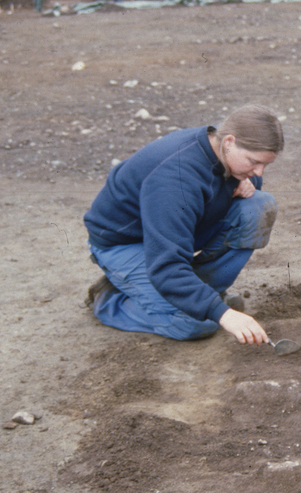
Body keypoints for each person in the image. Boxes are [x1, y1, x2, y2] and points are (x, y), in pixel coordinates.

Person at [83, 104, 283, 344]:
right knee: (196, 322)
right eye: (254, 162)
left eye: (265, 165)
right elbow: (167, 265)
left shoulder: (219, 147)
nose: (259, 172)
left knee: (257, 207)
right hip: (125, 243)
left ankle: (199, 293)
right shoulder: (175, 178)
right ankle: (109, 300)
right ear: (229, 141)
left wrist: (251, 184)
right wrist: (222, 314)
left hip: (173, 228)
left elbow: (240, 188)